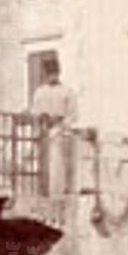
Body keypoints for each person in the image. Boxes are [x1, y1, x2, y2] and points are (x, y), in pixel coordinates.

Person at [30, 54, 76, 191]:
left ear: (58, 73)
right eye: (49, 73)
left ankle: (59, 190)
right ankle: (43, 190)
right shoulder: (40, 92)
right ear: (45, 74)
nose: (52, 77)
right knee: (43, 163)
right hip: (44, 130)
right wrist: (40, 121)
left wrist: (61, 124)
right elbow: (35, 111)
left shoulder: (67, 91)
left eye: (54, 73)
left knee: (58, 165)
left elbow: (73, 114)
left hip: (60, 132)